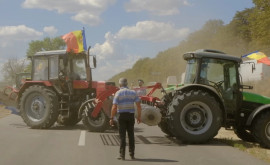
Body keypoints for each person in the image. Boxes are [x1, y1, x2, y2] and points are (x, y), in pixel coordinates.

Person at [110, 78, 142, 160]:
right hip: (131, 116)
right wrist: (139, 117)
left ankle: (122, 155)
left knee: (122, 136)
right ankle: (132, 155)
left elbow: (114, 107)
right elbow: (138, 105)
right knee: (131, 135)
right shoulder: (133, 92)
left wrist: (111, 118)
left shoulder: (118, 93)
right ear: (127, 84)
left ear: (120, 85)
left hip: (121, 116)